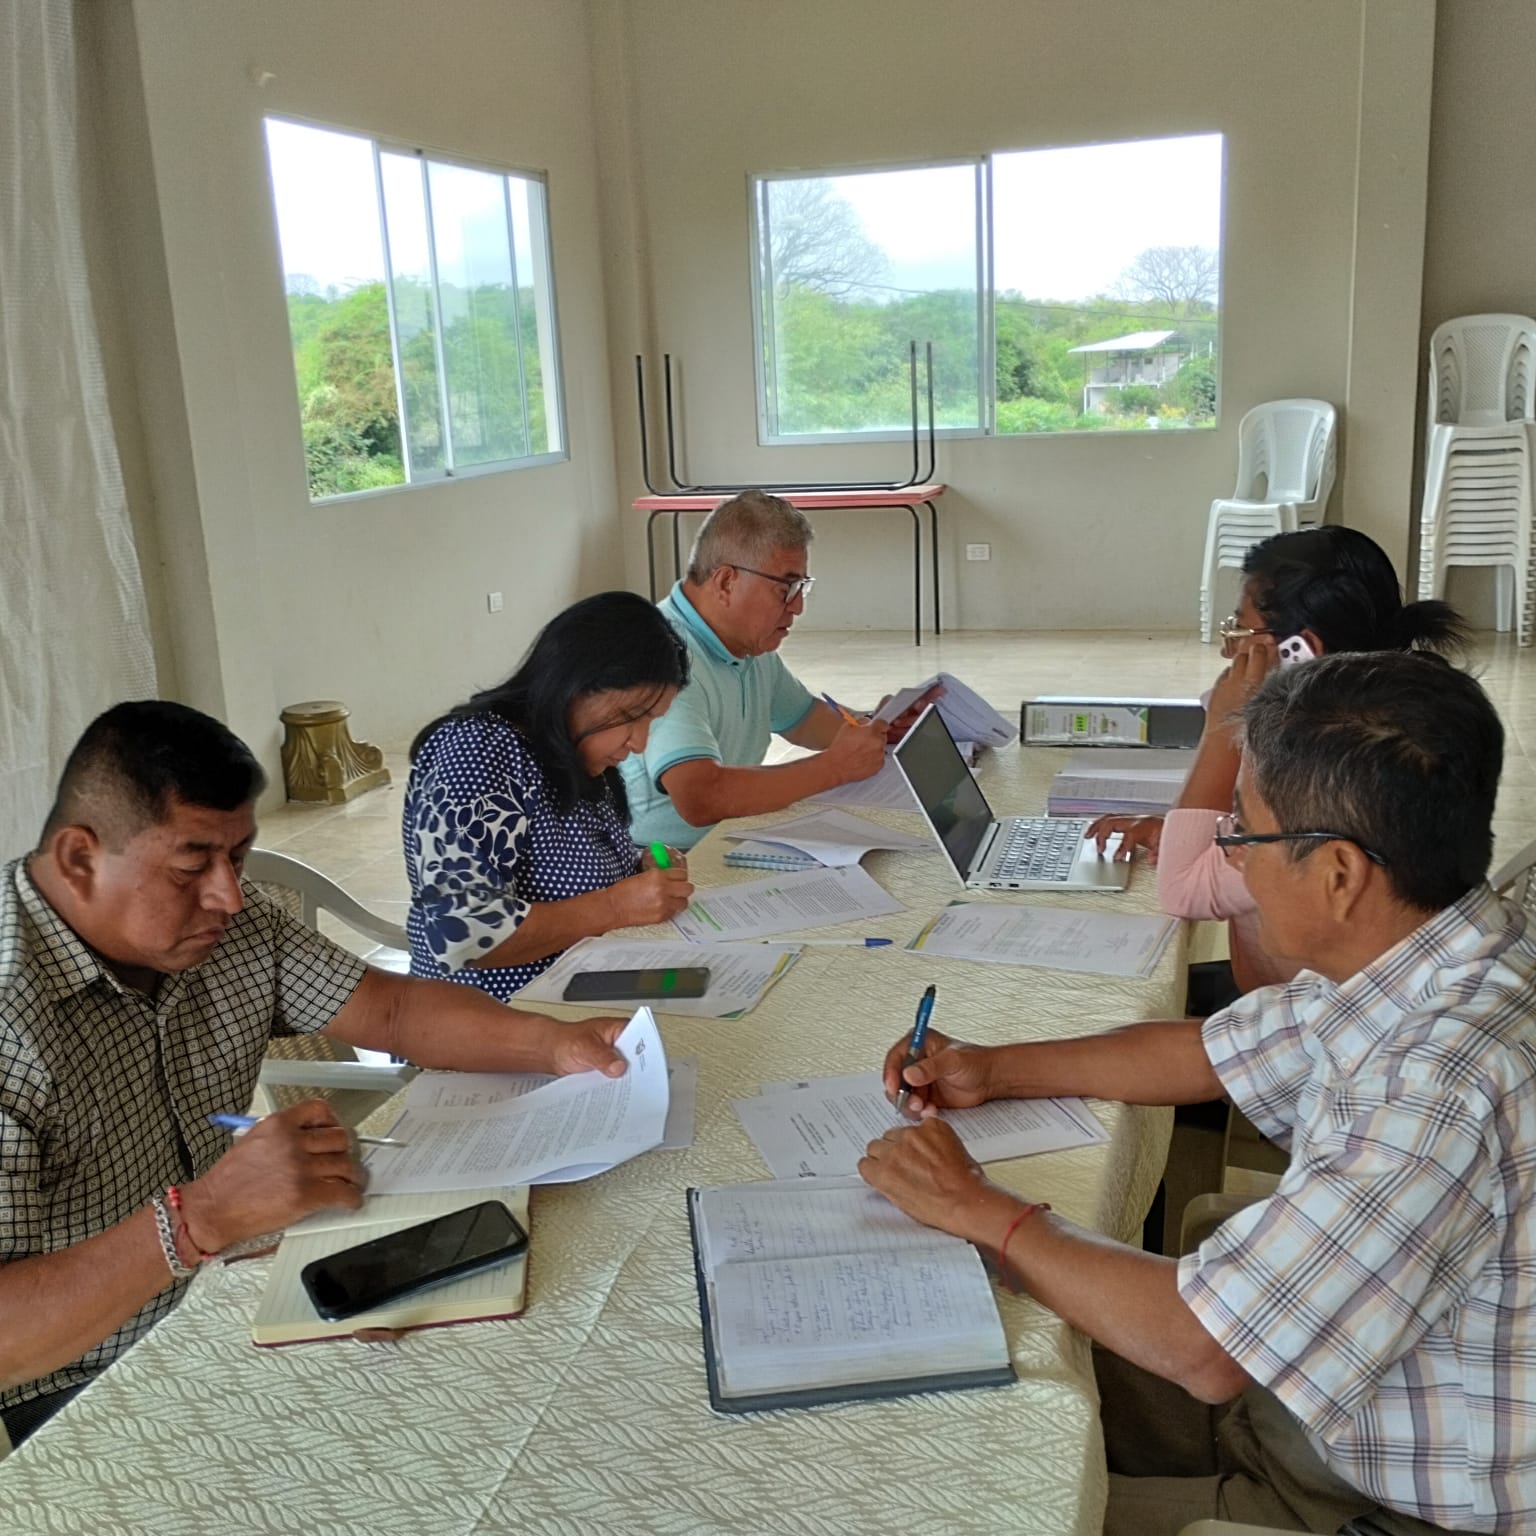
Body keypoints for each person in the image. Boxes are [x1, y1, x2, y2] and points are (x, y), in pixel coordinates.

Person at [863, 653, 1533, 1535]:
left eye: (1244, 832)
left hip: (1365, 1501)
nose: (1230, 856)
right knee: (999, 1349)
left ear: (1339, 873)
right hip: (1318, 1398)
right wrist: (993, 1068)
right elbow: (1210, 1053)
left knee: (965, 1503)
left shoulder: (1438, 1086)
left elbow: (1204, 1349)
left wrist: (976, 1206)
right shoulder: (1441, 956)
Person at [0, 701, 630, 1446]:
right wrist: (198, 1219)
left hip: (234, 1278)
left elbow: (391, 1010)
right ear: (79, 859)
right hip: (86, 1375)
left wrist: (553, 1045)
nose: (228, 896)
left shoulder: (232, 928)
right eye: (192, 866)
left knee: (515, 1383)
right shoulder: (12, 1017)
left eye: (238, 857)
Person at [1086, 524, 1466, 1000]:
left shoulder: (1319, 776)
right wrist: (1180, 831)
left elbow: (1182, 889)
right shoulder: (1378, 724)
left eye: (1239, 631)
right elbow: (1235, 845)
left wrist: (1225, 723)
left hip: (1306, 1019)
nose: (1228, 651)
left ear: (1301, 650)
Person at [404, 592, 695, 1000]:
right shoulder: (479, 751)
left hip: (579, 991)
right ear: (574, 686)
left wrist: (638, 869)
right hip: (489, 1016)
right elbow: (463, 933)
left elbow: (566, 868)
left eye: (652, 721)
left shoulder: (570, 755)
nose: (639, 743)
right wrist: (617, 906)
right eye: (631, 717)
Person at [619, 490, 940, 850]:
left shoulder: (745, 642)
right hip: (666, 861)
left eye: (801, 587)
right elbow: (700, 797)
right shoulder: (665, 655)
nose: (798, 606)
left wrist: (875, 729)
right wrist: (834, 767)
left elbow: (803, 718)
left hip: (728, 839)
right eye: (786, 588)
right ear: (726, 582)